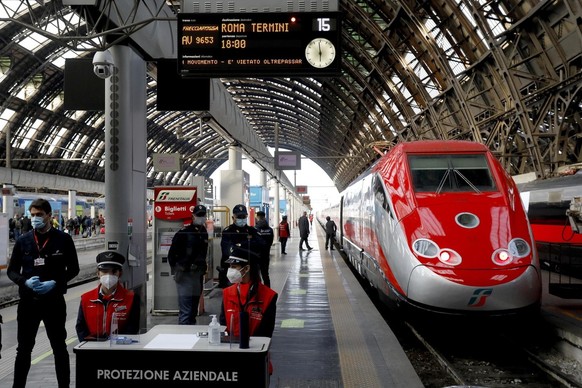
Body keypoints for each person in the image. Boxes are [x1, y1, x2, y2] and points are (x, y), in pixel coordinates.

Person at [7, 198, 80, 388]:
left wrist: (55, 283)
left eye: (39, 215)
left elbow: (74, 269)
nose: (35, 218)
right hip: (28, 303)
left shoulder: (63, 239)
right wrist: (25, 282)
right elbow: (12, 270)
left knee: (59, 348)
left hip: (54, 302)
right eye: (32, 215)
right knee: (23, 350)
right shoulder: (23, 241)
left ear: (49, 215)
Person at [219, 246, 277, 373]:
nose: (230, 271)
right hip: (230, 356)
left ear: (247, 268)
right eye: (230, 267)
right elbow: (222, 325)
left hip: (255, 358)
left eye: (234, 267)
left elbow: (266, 333)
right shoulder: (227, 293)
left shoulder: (268, 296)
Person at [76, 251, 140, 341]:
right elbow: (81, 327)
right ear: (98, 273)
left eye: (114, 272)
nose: (109, 276)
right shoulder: (86, 299)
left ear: (120, 274)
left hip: (120, 348)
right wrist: (88, 346)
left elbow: (132, 327)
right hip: (91, 350)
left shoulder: (132, 298)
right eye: (105, 271)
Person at [167, 204, 209, 324]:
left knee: (192, 311)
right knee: (186, 311)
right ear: (193, 216)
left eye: (203, 215)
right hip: (185, 275)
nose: (201, 217)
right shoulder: (184, 233)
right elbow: (172, 254)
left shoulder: (204, 232)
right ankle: (183, 339)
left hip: (198, 275)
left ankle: (191, 336)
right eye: (199, 215)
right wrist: (177, 270)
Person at [219, 204, 263, 288]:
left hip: (251, 270)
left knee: (254, 295)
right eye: (239, 217)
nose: (242, 219)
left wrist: (239, 246)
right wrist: (248, 246)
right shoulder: (228, 231)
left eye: (244, 216)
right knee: (233, 296)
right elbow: (227, 252)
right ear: (233, 218)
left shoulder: (252, 230)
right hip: (235, 271)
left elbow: (260, 246)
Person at [254, 210, 274, 287]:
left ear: (258, 217)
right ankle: (267, 292)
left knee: (256, 276)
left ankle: (257, 292)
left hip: (256, 256)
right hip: (265, 255)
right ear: (264, 217)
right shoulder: (270, 230)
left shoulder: (255, 229)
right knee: (265, 275)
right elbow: (270, 243)